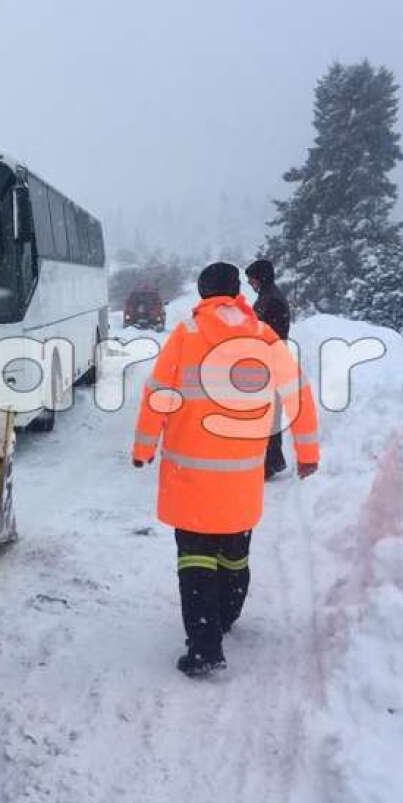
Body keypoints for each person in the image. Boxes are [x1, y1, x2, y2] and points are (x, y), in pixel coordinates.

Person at [131, 261, 320, 678]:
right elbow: (298, 395)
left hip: (191, 476)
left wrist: (144, 446)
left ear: (202, 294)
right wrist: (308, 452)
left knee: (195, 557)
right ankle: (226, 616)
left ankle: (204, 647)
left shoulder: (187, 334)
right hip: (242, 475)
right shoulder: (263, 336)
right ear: (237, 291)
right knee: (234, 553)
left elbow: (158, 394)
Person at [246, 258, 291, 479]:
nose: (250, 284)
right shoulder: (269, 296)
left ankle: (269, 463)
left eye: (252, 279)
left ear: (260, 278)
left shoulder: (270, 300)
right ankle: (271, 461)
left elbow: (262, 332)